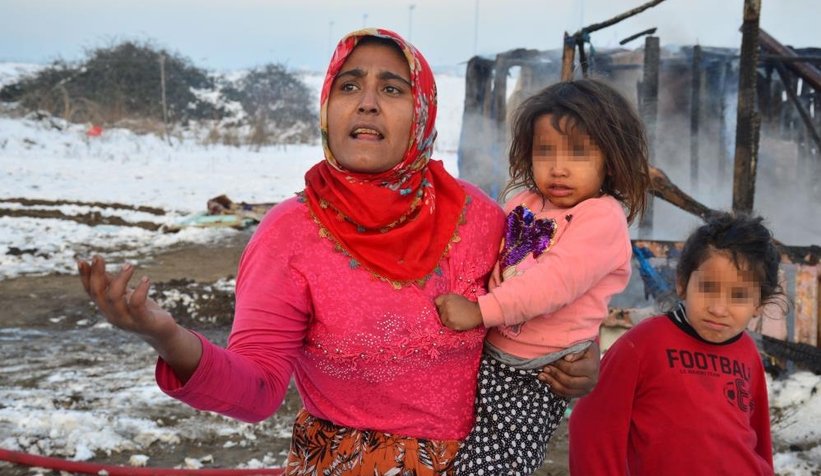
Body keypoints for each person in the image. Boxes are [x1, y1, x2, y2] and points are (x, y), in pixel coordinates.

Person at [77, 28, 599, 475]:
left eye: (391, 88)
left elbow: (551, 293)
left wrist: (583, 358)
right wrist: (164, 334)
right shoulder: (290, 234)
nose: (366, 101)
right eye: (349, 85)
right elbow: (256, 388)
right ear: (328, 106)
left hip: (480, 462)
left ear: (422, 113)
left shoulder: (481, 219)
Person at [435, 78, 651, 475]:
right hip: (497, 352)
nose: (558, 167)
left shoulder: (601, 217)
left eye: (578, 153)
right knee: (454, 447)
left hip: (538, 370)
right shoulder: (525, 203)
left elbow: (553, 282)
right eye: (544, 151)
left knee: (495, 463)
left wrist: (479, 311)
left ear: (610, 158)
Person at [569, 212, 783, 475]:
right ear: (682, 283)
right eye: (707, 288)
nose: (718, 309)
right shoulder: (645, 343)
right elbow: (592, 424)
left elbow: (758, 435)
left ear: (759, 304)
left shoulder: (747, 352)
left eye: (738, 295)